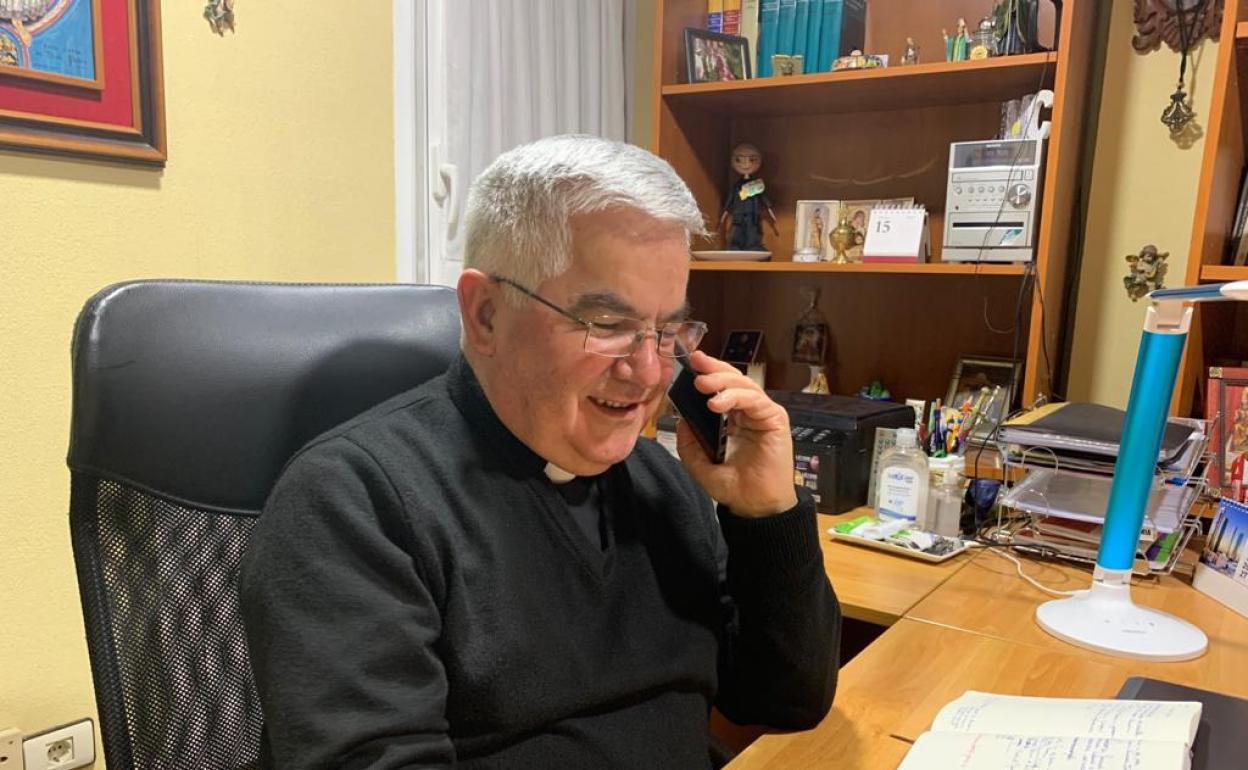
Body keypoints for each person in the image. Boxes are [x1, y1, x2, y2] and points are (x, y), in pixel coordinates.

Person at [239, 134, 841, 769]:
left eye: (668, 331)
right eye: (607, 325)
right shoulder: (353, 502)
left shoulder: (662, 484)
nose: (648, 372)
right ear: (486, 314)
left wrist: (767, 514)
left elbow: (786, 700)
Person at [719, 142, 778, 251]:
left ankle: (753, 246)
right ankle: (735, 246)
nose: (746, 164)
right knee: (737, 232)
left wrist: (770, 210)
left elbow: (763, 198)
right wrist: (724, 215)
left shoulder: (757, 185)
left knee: (752, 232)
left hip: (752, 216)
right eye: (740, 160)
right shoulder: (737, 186)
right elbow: (730, 200)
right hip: (738, 215)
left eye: (751, 160)